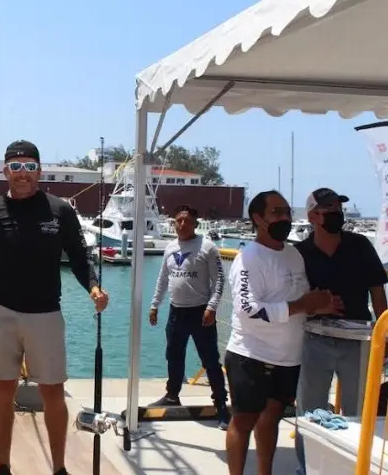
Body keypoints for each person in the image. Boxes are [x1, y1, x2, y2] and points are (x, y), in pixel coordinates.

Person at [0, 140, 109, 475]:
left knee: (53, 394)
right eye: (16, 167)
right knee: (3, 390)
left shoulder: (60, 210)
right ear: (6, 172)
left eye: (30, 167)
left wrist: (94, 286)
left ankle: (59, 468)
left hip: (45, 315)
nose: (23, 174)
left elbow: (78, 255)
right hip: (0, 312)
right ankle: (3, 465)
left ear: (39, 172)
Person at [224, 190, 344, 475]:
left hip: (288, 358)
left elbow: (298, 299)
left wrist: (319, 306)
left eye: (287, 211)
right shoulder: (248, 258)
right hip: (250, 356)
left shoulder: (293, 254)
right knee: (244, 421)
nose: (285, 218)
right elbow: (248, 309)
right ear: (258, 218)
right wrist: (303, 304)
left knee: (272, 419)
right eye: (277, 212)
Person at [294, 188, 388, 474]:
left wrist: (383, 335)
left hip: (358, 342)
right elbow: (295, 299)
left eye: (338, 207)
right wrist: (316, 307)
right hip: (314, 341)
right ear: (312, 216)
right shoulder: (299, 254)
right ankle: (306, 467)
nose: (336, 212)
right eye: (328, 208)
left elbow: (377, 290)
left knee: (359, 413)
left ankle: (352, 467)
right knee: (309, 413)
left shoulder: (360, 245)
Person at [148, 204, 230, 429]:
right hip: (176, 313)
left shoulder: (207, 247)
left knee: (210, 361)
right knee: (173, 356)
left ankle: (221, 406)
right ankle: (172, 395)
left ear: (195, 223)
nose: (182, 224)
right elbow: (163, 279)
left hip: (200, 313)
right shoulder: (170, 247)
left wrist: (212, 307)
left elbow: (219, 281)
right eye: (178, 221)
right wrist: (155, 305)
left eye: (186, 220)